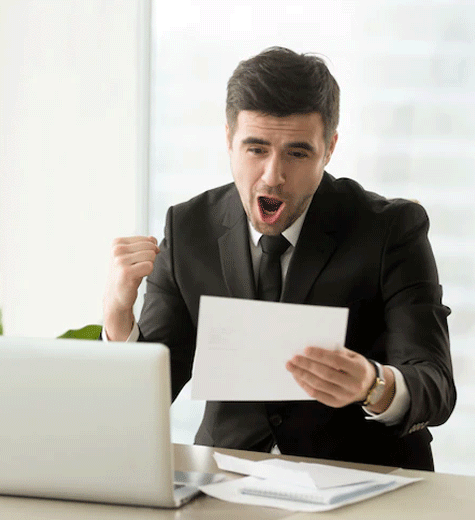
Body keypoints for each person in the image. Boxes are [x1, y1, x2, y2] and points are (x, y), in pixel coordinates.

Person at [102, 47, 455, 471]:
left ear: (329, 149)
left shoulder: (391, 229)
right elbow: (150, 395)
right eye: (256, 149)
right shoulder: (188, 228)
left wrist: (373, 385)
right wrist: (119, 314)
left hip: (358, 484)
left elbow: (435, 384)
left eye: (297, 153)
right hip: (225, 481)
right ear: (229, 140)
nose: (273, 175)